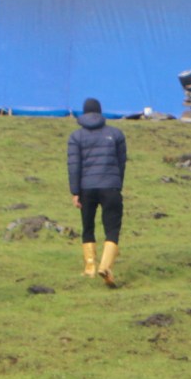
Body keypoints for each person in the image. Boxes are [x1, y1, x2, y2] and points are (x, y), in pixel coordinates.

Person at [67, 97, 128, 286]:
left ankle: (90, 268)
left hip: (86, 188)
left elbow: (73, 166)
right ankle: (106, 266)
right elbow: (121, 163)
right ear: (100, 113)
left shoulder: (76, 137)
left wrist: (75, 191)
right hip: (110, 186)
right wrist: (117, 185)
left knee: (88, 226)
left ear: (84, 114)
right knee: (112, 228)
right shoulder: (116, 134)